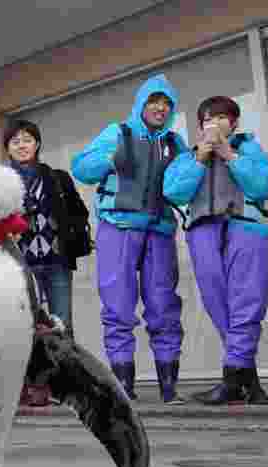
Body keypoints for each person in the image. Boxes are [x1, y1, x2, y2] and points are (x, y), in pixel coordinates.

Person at [71, 74, 189, 404]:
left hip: (160, 230)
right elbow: (81, 167)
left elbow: (183, 187)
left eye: (167, 104)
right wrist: (109, 159)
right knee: (118, 307)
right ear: (141, 104)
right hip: (118, 226)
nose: (160, 108)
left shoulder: (176, 144)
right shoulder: (117, 133)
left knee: (164, 307)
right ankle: (124, 388)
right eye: (154, 101)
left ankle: (169, 388)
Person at [163, 95, 268, 405]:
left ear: (234, 122)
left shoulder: (249, 149)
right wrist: (200, 158)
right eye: (208, 119)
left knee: (247, 302)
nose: (215, 124)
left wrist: (228, 153)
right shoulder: (189, 156)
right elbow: (173, 191)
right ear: (200, 127)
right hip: (203, 233)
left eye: (222, 118)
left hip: (246, 229)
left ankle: (231, 380)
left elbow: (262, 185)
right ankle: (248, 382)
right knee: (218, 305)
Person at [4, 119, 93, 406]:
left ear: (38, 144)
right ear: (7, 148)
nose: (21, 145)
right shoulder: (1, 184)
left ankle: (64, 386)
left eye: (27, 139)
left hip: (56, 260)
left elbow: (79, 212)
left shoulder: (57, 178)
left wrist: (68, 233)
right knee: (24, 326)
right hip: (20, 267)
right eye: (15, 141)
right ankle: (31, 386)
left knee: (61, 325)